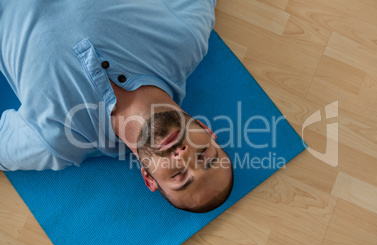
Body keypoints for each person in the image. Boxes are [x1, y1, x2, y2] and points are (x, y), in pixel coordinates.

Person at [0, 0, 234, 213]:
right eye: (204, 155)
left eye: (179, 175)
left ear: (148, 178)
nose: (184, 156)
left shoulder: (57, 140)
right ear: (206, 131)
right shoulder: (187, 36)